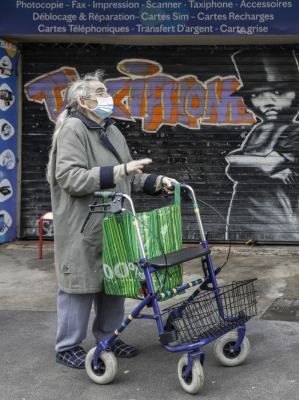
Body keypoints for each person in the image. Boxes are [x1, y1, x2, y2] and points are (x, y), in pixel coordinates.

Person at [47, 70, 177, 369]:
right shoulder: (73, 130)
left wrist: (157, 183)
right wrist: (122, 171)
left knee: (113, 281)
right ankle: (67, 346)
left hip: (114, 221)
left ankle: (109, 337)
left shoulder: (110, 130)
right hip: (83, 224)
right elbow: (70, 178)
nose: (109, 97)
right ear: (83, 101)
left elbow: (128, 176)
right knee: (79, 285)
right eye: (102, 92)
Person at [225, 51, 299, 242]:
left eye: (279, 93)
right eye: (257, 94)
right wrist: (243, 163)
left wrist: (238, 160)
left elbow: (267, 166)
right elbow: (232, 171)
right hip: (244, 216)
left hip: (280, 220)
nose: (267, 102)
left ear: (297, 94)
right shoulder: (259, 129)